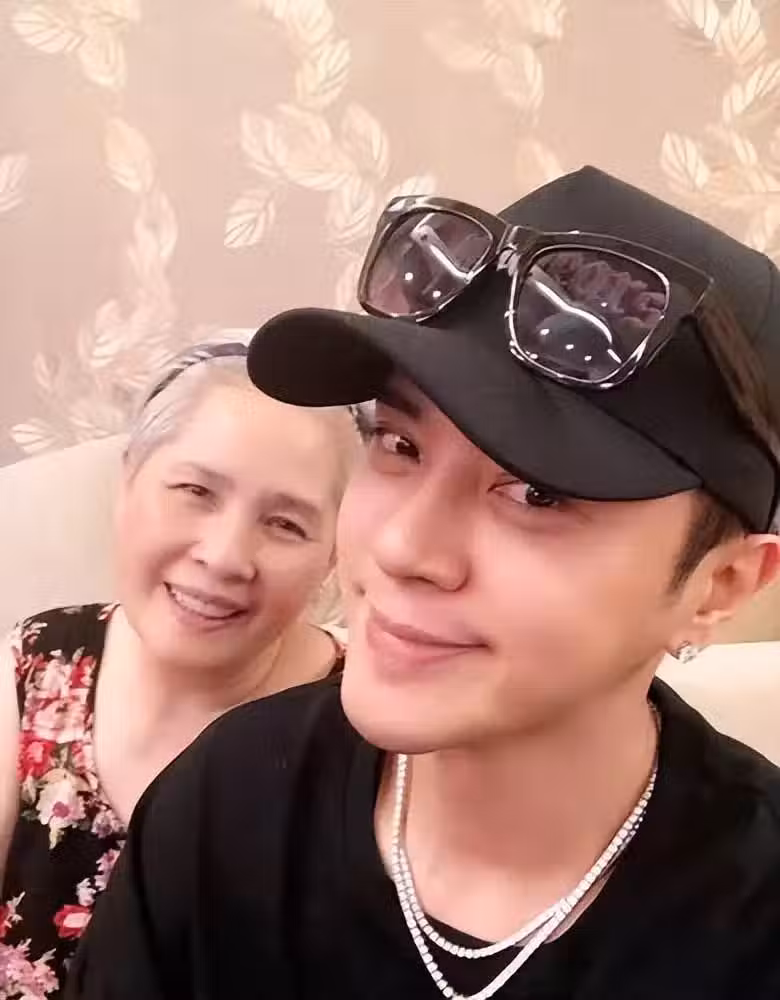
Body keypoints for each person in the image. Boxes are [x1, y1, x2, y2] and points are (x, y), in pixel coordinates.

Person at [66, 168, 780, 999]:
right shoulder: (231, 802)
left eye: (537, 494)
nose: (401, 546)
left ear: (719, 586)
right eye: (400, 446)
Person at [0, 342, 360, 998]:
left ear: (333, 556)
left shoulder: (367, 721)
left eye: (285, 524)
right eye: (196, 491)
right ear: (128, 481)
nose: (224, 557)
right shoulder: (35, 666)